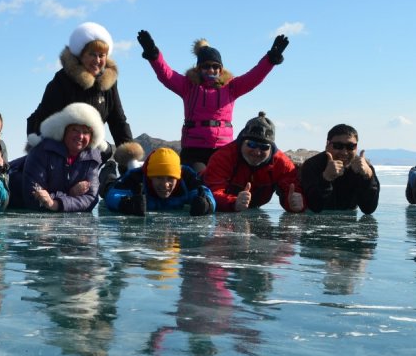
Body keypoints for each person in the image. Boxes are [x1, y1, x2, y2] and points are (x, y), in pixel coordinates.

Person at [136, 29, 289, 170]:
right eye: (206, 66)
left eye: (215, 66)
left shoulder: (231, 87)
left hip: (222, 147)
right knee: (199, 180)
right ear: (199, 68)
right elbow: (166, 74)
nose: (211, 70)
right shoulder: (188, 86)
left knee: (221, 184)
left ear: (220, 69)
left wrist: (270, 60)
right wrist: (153, 54)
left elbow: (254, 76)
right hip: (194, 149)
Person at [26, 22, 143, 170]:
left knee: (108, 153)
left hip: (90, 154)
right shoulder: (62, 81)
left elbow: (118, 121)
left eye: (102, 55)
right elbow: (43, 117)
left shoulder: (108, 85)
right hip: (59, 155)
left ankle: (108, 179)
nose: (97, 60)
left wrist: (130, 158)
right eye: (92, 54)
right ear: (80, 55)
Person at [9, 102, 105, 212]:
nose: (80, 136)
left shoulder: (92, 158)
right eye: (75, 130)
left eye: (86, 132)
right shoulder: (42, 150)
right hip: (14, 199)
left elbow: (91, 199)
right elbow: (34, 196)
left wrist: (56, 203)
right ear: (64, 131)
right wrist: (70, 194)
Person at [202, 112, 306, 213]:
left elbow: (294, 193)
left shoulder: (283, 165)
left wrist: (295, 204)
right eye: (251, 144)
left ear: (271, 149)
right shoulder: (223, 157)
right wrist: (233, 202)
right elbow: (212, 192)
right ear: (242, 142)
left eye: (264, 147)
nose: (257, 152)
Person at [104, 147, 215, 216]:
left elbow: (206, 194)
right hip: (111, 183)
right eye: (158, 178)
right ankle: (109, 166)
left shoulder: (186, 176)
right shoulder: (136, 177)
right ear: (150, 176)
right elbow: (112, 195)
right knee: (107, 185)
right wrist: (127, 203)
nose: (165, 184)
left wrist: (207, 204)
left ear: (178, 177)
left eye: (170, 178)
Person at [300, 124, 380, 214]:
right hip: (317, 223)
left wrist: (369, 177)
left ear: (356, 147)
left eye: (350, 146)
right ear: (327, 145)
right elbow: (315, 207)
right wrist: (326, 178)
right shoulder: (312, 165)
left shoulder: (363, 167)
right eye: (338, 146)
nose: (344, 152)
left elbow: (368, 209)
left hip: (348, 223)